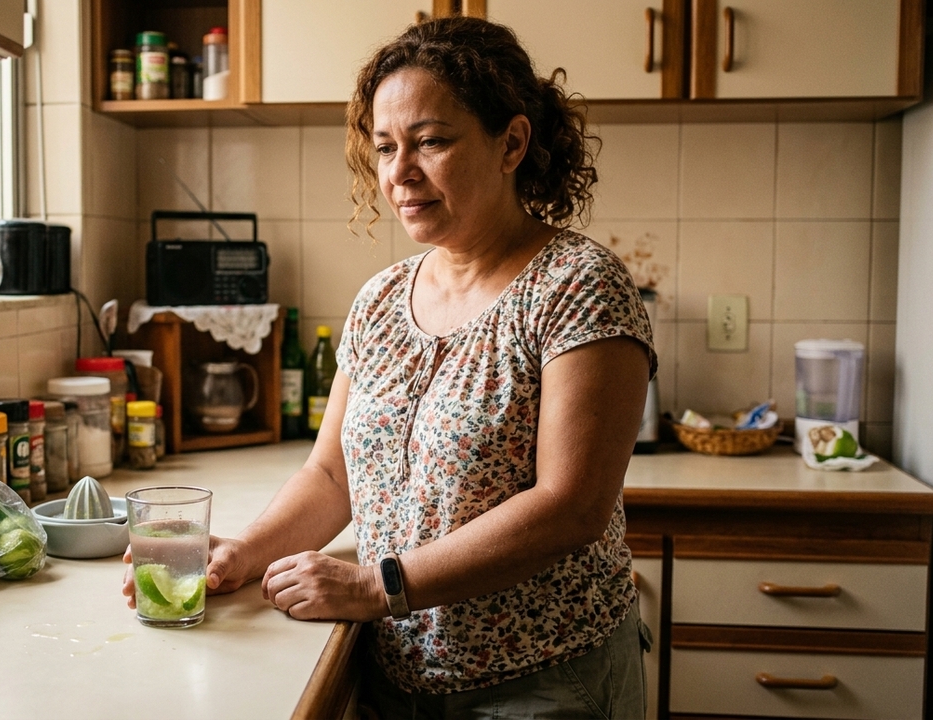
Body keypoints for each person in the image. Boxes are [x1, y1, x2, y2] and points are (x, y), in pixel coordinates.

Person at [123, 16, 657, 718]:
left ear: (512, 143)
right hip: (395, 678)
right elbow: (330, 474)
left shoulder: (578, 285)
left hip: (543, 683)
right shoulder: (380, 300)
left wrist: (379, 588)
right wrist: (244, 553)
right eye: (384, 148)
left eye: (431, 141)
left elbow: (571, 507)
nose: (400, 173)